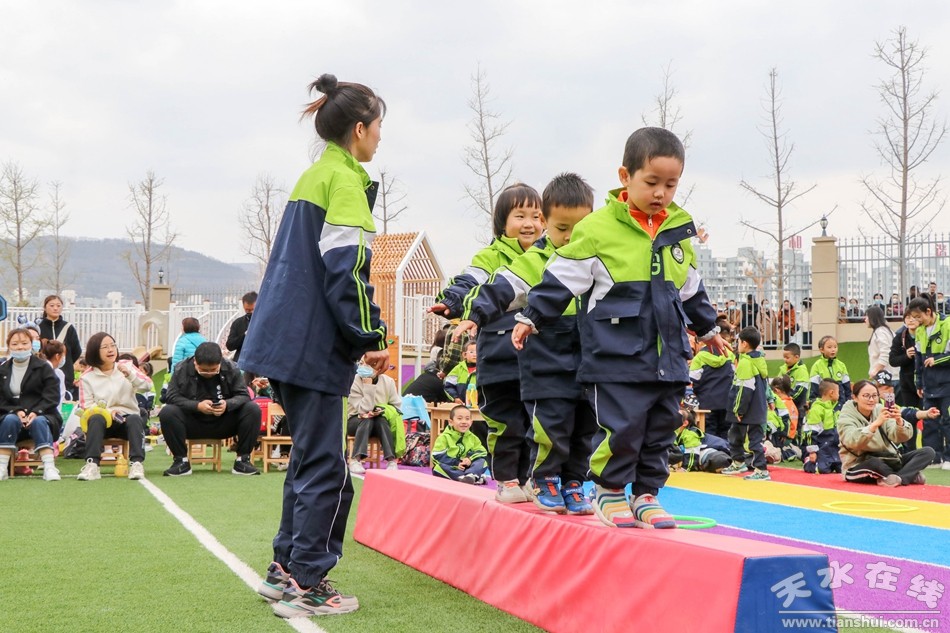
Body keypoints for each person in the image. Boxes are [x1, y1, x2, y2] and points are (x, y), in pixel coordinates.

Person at [512, 127, 725, 527]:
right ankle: (608, 491)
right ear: (624, 176)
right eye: (651, 182)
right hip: (615, 354)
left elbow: (691, 288)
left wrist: (709, 328)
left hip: (668, 355)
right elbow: (560, 278)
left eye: (671, 184)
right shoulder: (597, 228)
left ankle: (647, 493)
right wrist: (532, 316)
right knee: (621, 427)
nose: (661, 192)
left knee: (663, 426)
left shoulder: (679, 231)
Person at [241, 73, 387, 617]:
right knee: (328, 470)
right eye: (378, 128)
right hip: (311, 347)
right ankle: (306, 580)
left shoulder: (315, 174)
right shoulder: (343, 182)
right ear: (359, 129)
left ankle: (284, 571)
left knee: (309, 463)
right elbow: (346, 272)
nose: (380, 138)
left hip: (284, 342)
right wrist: (370, 337)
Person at [455, 172, 596, 514]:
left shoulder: (594, 253)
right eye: (562, 229)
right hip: (536, 356)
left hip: (585, 356)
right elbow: (503, 284)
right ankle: (538, 478)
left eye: (579, 229)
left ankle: (575, 482)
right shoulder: (532, 257)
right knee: (539, 423)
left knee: (584, 423)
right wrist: (474, 311)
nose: (570, 238)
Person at [429, 183, 545, 504]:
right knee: (507, 421)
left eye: (536, 216)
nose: (529, 223)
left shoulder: (551, 256)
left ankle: (533, 480)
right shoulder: (492, 256)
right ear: (502, 223)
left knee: (539, 423)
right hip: (500, 356)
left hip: (540, 358)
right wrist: (451, 301)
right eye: (519, 215)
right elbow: (469, 281)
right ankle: (508, 480)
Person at [159, 342, 262, 477]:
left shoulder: (232, 368)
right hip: (192, 423)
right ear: (195, 362)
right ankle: (181, 462)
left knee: (253, 409)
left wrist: (227, 404)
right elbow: (171, 396)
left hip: (224, 423)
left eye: (213, 370)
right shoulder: (181, 368)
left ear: (220, 362)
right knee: (167, 412)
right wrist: (197, 406)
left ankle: (242, 460)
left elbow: (244, 395)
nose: (208, 373)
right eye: (203, 370)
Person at [75, 332, 150, 481]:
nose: (111, 350)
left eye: (113, 345)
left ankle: (136, 464)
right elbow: (86, 407)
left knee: (136, 418)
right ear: (95, 351)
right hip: (103, 421)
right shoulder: (86, 377)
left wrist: (130, 375)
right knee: (95, 418)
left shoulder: (127, 366)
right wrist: (109, 412)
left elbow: (147, 385)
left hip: (126, 419)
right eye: (105, 347)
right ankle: (93, 465)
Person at [838, 379, 936, 486]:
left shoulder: (881, 409)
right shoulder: (846, 415)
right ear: (855, 397)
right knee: (875, 463)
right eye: (866, 396)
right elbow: (851, 441)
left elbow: (899, 437)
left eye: (874, 395)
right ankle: (907, 475)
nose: (871, 400)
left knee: (928, 452)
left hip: (889, 459)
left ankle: (898, 478)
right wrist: (875, 424)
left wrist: (899, 422)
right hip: (859, 462)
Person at [0, 329, 63, 481]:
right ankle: (2, 467)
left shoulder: (43, 367)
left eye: (24, 343)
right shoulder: (2, 370)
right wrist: (17, 411)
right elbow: (1, 399)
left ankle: (49, 467)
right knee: (9, 420)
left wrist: (35, 412)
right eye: (15, 344)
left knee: (39, 421)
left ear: (31, 345)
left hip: (44, 415)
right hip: (10, 416)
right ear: (9, 346)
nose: (20, 347)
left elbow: (52, 395)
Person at [905, 296, 950, 469]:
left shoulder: (947, 324)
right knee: (930, 421)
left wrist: (936, 360)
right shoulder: (920, 331)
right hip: (929, 385)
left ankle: (948, 457)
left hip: (947, 383)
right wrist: (919, 383)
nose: (916, 321)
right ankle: (934, 456)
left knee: (948, 420)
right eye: (913, 318)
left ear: (928, 312)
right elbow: (918, 359)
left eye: (918, 317)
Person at [722, 327, 770, 480]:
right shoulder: (759, 360)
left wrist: (738, 410)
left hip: (748, 410)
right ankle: (738, 462)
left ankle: (761, 470)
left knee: (753, 440)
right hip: (756, 408)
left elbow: (744, 390)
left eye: (738, 341)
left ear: (744, 343)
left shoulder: (745, 363)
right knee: (736, 434)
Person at [346, 358, 403, 474]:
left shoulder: (388, 382)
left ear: (378, 369)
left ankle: (391, 461)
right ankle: (355, 460)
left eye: (369, 364)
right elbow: (363, 408)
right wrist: (368, 387)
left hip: (378, 419)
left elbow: (396, 406)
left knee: (381, 420)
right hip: (355, 419)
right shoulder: (353, 381)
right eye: (361, 363)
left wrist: (381, 409)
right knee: (367, 419)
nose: (363, 366)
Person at [689, 329, 735, 440]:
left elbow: (693, 380)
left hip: (707, 402)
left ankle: (713, 456)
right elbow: (734, 377)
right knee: (726, 432)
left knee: (709, 433)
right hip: (726, 401)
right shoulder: (729, 355)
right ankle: (726, 455)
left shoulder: (699, 358)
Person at [37, 295, 83, 399]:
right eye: (52, 305)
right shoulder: (38, 327)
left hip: (66, 377)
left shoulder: (68, 328)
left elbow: (76, 351)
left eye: (58, 305)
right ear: (45, 308)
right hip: (41, 377)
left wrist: (65, 363)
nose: (55, 308)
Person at [431, 405, 489, 484]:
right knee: (437, 468)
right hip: (453, 467)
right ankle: (472, 478)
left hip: (468, 467)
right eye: (459, 418)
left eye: (467, 419)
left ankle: (470, 476)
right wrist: (456, 463)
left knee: (482, 461)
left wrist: (469, 459)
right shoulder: (444, 437)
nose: (464, 421)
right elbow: (437, 455)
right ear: (451, 422)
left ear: (471, 422)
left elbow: (482, 451)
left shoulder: (473, 438)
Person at [889, 312, 922, 452]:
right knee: (910, 418)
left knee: (931, 418)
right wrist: (906, 356)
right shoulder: (900, 336)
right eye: (908, 317)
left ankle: (932, 452)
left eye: (914, 317)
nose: (911, 320)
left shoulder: (926, 334)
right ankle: (911, 451)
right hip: (907, 384)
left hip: (926, 383)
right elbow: (893, 360)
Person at [801, 379, 842, 474]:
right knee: (821, 470)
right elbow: (810, 432)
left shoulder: (835, 409)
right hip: (821, 447)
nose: (839, 395)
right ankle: (808, 460)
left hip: (834, 447)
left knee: (842, 469)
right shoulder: (817, 409)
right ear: (831, 393)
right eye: (838, 392)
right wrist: (812, 451)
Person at [809, 335, 851, 410]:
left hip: (841, 404)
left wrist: (848, 402)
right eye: (829, 347)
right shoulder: (816, 366)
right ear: (821, 350)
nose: (833, 350)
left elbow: (847, 388)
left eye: (835, 347)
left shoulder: (841, 365)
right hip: (824, 406)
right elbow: (814, 389)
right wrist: (813, 403)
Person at [865, 306, 897, 381]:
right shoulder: (884, 330)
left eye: (867, 317)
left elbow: (886, 352)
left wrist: (875, 370)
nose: (865, 319)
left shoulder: (880, 332)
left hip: (885, 378)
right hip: (888, 376)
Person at [779, 343, 810, 417]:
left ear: (796, 357)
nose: (785, 360)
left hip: (798, 407)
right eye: (784, 357)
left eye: (787, 357)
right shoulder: (784, 369)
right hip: (786, 405)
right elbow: (777, 384)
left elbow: (801, 390)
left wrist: (787, 399)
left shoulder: (801, 371)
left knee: (797, 427)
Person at [226, 291, 257, 363]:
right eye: (247, 310)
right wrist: (244, 335)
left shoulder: (265, 321)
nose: (251, 312)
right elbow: (230, 345)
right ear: (243, 307)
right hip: (242, 360)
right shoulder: (238, 323)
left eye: (253, 309)